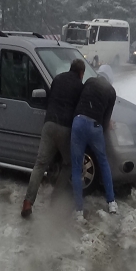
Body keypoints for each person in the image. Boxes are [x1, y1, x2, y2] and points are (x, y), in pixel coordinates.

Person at [21, 59, 86, 218]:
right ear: (81, 73)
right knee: (69, 163)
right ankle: (55, 198)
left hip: (49, 124)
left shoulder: (57, 79)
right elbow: (80, 110)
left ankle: (28, 202)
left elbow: (50, 99)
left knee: (40, 164)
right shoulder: (80, 86)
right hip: (65, 128)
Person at [70, 64, 118, 220]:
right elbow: (106, 120)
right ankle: (111, 203)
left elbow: (79, 99)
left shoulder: (90, 81)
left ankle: (78, 210)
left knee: (77, 167)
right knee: (103, 163)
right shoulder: (111, 91)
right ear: (109, 79)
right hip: (95, 126)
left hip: (77, 123)